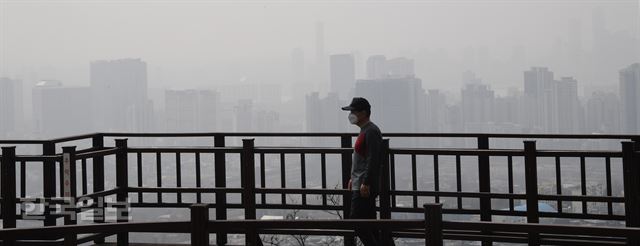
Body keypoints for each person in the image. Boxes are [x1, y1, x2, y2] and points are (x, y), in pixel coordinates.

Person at [342, 97, 383, 246]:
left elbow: (374, 159)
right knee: (370, 224)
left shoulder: (371, 131)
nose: (351, 114)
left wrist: (366, 182)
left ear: (363, 113)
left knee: (357, 221)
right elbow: (362, 158)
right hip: (359, 183)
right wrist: (353, 179)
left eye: (353, 111)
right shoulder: (364, 130)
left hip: (364, 187)